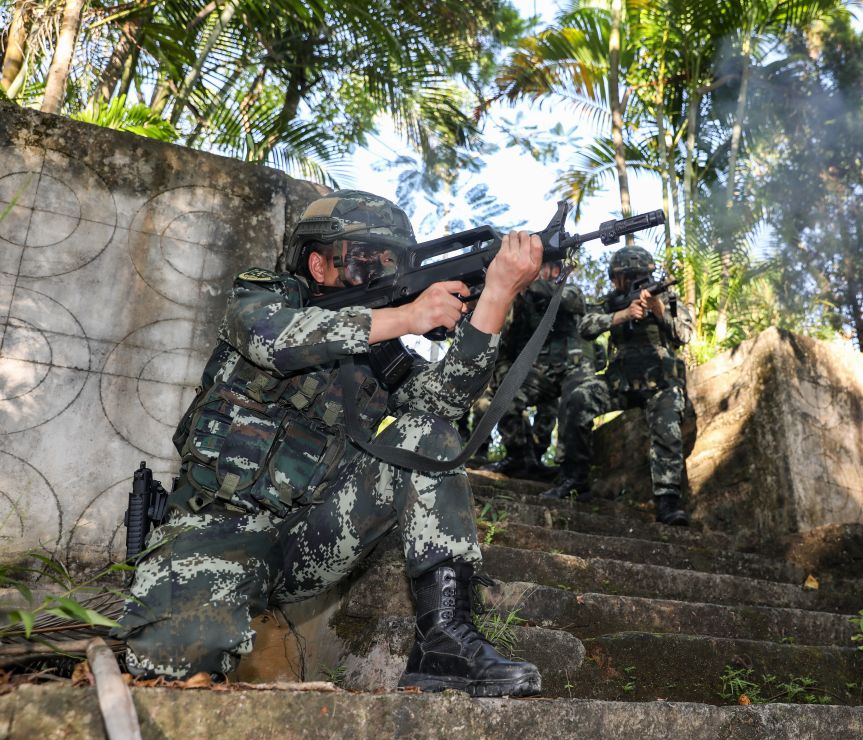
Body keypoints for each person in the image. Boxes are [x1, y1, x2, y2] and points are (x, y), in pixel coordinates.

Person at [114, 190, 544, 698]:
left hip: (314, 537)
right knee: (164, 673)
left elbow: (442, 404)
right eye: (365, 261)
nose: (380, 274)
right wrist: (407, 318)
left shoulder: (381, 352)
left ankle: (444, 642)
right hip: (218, 528)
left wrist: (495, 297)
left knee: (427, 435)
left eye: (391, 263)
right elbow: (274, 339)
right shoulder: (264, 296)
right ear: (318, 264)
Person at [540, 245, 693, 526]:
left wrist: (659, 311)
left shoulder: (667, 298)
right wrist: (621, 315)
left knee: (668, 421)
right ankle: (574, 480)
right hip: (620, 383)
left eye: (620, 278)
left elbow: (684, 334)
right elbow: (586, 326)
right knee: (579, 397)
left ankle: (668, 500)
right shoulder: (613, 301)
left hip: (660, 383)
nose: (616, 283)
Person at [483, 260, 593, 480]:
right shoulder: (526, 301)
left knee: (557, 412)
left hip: (570, 370)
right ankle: (520, 458)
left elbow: (573, 301)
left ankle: (562, 469)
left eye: (543, 268)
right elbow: (511, 338)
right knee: (507, 398)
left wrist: (527, 282)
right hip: (540, 371)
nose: (539, 273)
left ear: (555, 270)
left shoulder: (568, 290)